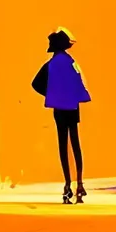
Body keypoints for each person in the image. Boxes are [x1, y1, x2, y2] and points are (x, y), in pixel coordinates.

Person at [31, 27, 90, 203]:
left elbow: (35, 83)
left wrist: (51, 94)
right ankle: (79, 183)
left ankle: (67, 183)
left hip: (59, 108)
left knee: (63, 145)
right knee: (75, 143)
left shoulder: (50, 65)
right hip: (72, 107)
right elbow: (79, 81)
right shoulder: (71, 62)